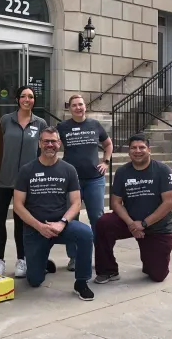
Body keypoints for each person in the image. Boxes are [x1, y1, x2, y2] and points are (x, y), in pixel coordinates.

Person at [13, 127, 95, 301]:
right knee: (34, 280)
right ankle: (42, 262)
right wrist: (39, 226)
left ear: (59, 144)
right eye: (46, 141)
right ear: (39, 143)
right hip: (35, 229)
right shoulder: (27, 170)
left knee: (86, 233)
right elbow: (18, 205)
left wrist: (62, 223)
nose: (50, 145)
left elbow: (76, 203)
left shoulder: (69, 169)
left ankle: (81, 282)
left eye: (53, 141)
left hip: (60, 226)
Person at [93, 133, 172, 283]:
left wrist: (144, 224)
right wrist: (132, 224)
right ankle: (108, 270)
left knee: (157, 275)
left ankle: (150, 259)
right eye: (133, 148)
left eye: (141, 147)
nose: (137, 151)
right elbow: (116, 203)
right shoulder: (123, 172)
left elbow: (169, 203)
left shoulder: (163, 170)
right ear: (129, 151)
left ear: (149, 150)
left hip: (157, 227)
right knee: (103, 223)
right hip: (130, 223)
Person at [0, 86, 48, 278]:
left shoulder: (40, 123)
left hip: (25, 184)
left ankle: (21, 259)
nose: (27, 99)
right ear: (17, 99)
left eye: (31, 96)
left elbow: (43, 153)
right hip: (2, 181)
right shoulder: (6, 120)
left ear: (34, 100)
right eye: (23, 96)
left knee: (21, 223)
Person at [56, 94, 112, 271]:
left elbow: (108, 144)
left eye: (80, 104)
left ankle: (102, 255)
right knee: (72, 219)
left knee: (98, 218)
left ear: (85, 106)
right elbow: (51, 145)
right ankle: (74, 257)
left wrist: (106, 162)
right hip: (72, 182)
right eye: (74, 105)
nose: (78, 108)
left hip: (94, 180)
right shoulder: (62, 127)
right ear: (69, 108)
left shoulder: (94, 125)